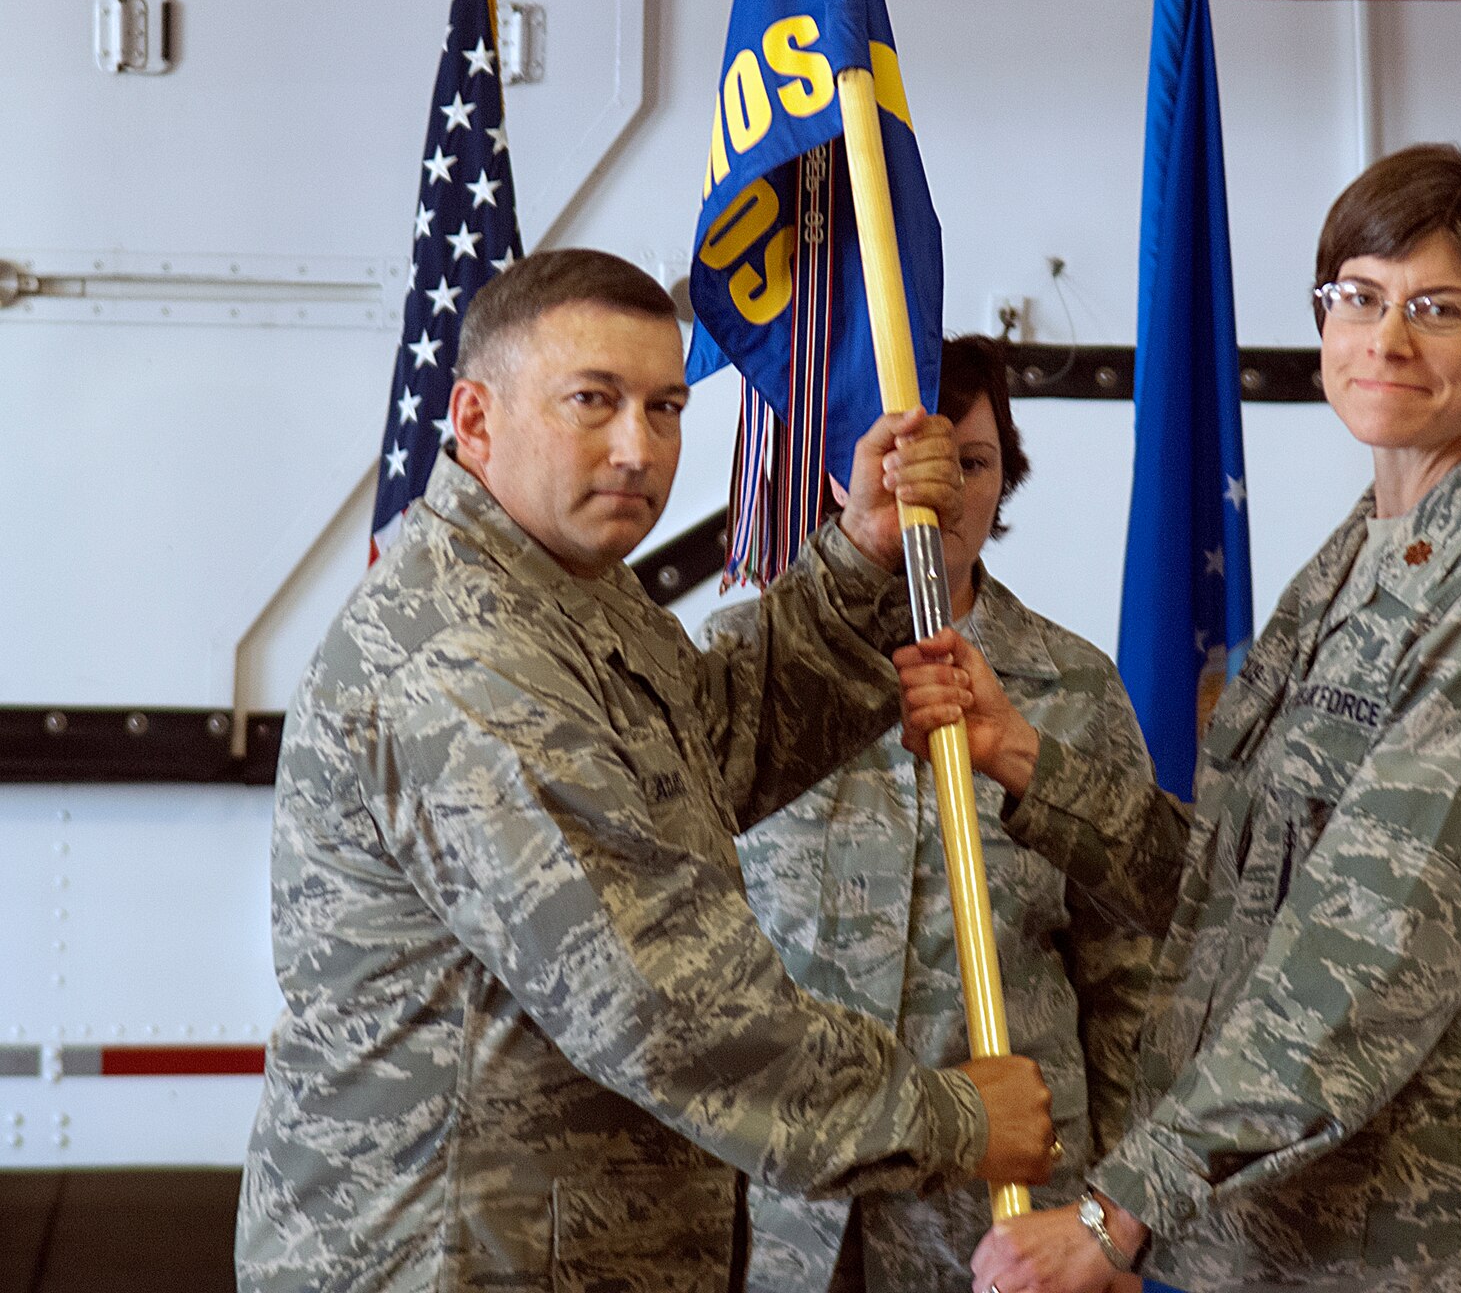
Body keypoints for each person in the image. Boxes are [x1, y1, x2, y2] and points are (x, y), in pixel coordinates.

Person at [237, 249, 1055, 1293]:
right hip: (457, 1260)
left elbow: (712, 747)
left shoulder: (564, 590)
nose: (638, 448)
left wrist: (859, 559)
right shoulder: (465, 654)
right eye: (593, 401)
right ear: (475, 420)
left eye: (665, 407)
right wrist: (952, 1118)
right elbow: (660, 998)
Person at [898, 146, 1461, 1293]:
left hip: (1415, 1243)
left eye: (1436, 308)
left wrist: (1114, 1210)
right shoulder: (1355, 561)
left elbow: (1367, 944)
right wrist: (1029, 762)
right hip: (1277, 1234)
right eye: (1356, 296)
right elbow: (1239, 892)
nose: (1384, 340)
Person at [707, 335, 1158, 1293]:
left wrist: (1111, 1223)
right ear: (847, 476)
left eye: (974, 462)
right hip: (783, 1206)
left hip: (999, 1222)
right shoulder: (752, 668)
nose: (942, 490)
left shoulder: (1075, 688)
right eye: (913, 460)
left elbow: (1133, 983)